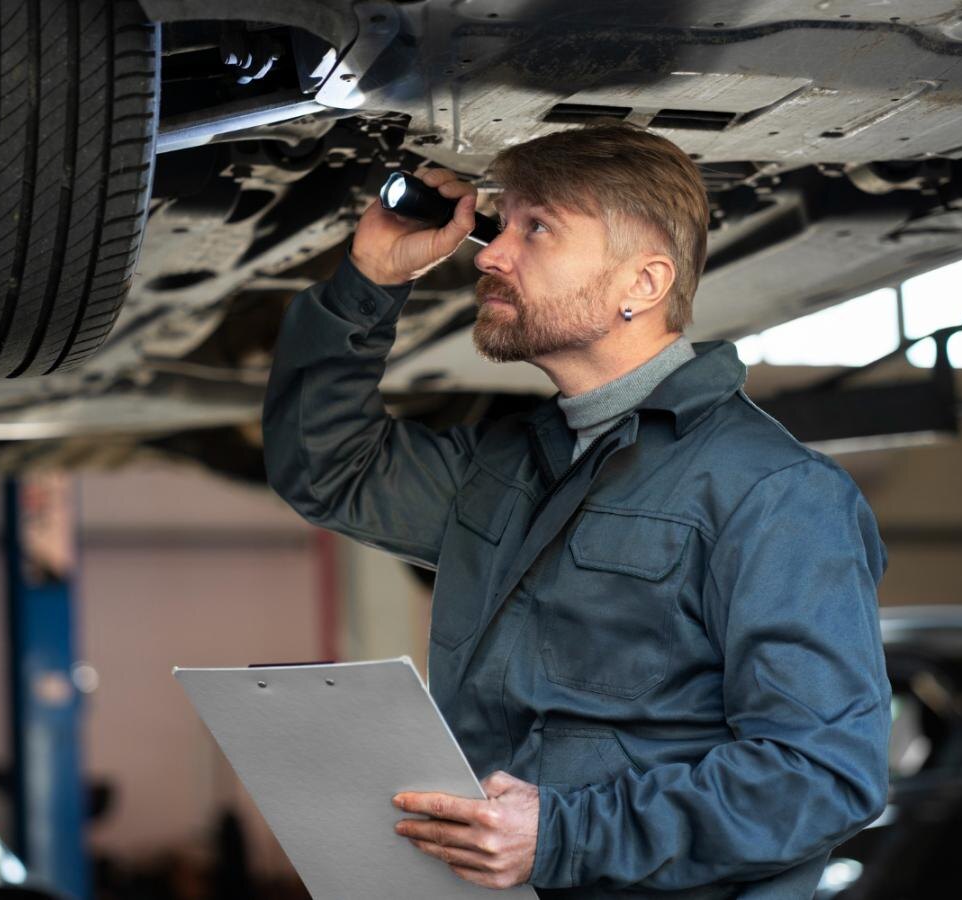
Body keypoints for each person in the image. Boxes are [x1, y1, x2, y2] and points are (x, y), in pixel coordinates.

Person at [262, 124, 891, 899]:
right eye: (503, 225)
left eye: (538, 230)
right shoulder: (507, 465)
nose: (490, 254)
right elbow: (327, 469)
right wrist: (368, 280)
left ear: (643, 284)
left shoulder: (773, 493)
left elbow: (823, 774)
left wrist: (562, 835)